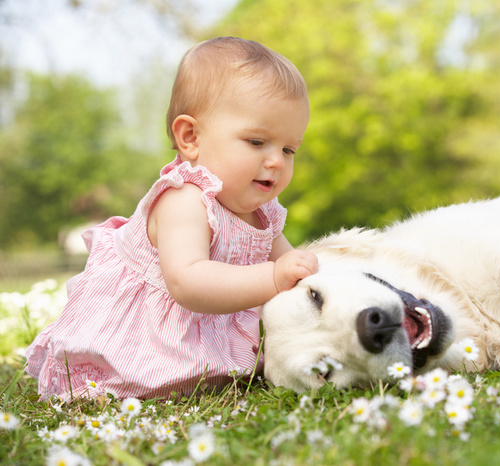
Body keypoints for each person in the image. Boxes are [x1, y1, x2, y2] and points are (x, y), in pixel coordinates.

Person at [25, 37, 318, 400]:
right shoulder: (184, 199)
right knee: (123, 383)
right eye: (257, 142)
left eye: (289, 149)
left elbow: (292, 266)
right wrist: (274, 277)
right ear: (190, 137)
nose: (277, 161)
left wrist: (305, 274)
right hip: (145, 337)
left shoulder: (264, 213)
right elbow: (189, 281)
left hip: (206, 333)